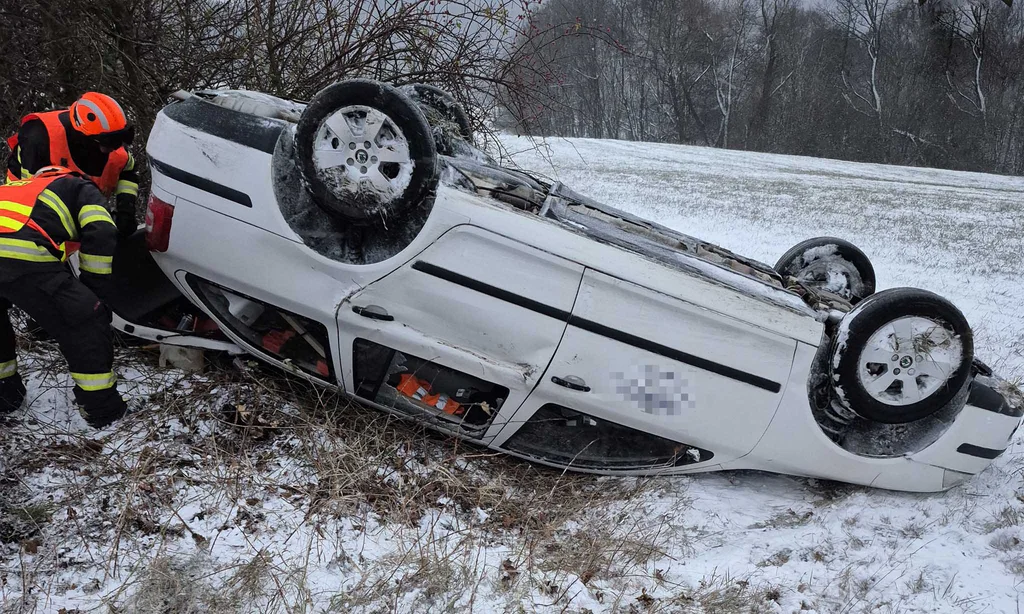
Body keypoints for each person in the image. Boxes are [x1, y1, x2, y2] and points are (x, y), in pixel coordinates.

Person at [0, 166, 126, 428]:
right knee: (85, 319)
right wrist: (94, 292)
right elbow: (102, 230)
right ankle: (102, 411)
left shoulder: (14, 189)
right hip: (18, 251)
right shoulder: (78, 186)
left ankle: (5, 395)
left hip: (14, 249)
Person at [5, 92, 139, 238]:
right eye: (107, 144)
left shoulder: (115, 150)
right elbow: (34, 199)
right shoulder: (39, 140)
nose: (112, 149)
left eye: (117, 142)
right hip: (19, 216)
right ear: (84, 138)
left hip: (77, 214)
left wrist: (126, 210)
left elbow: (127, 170)